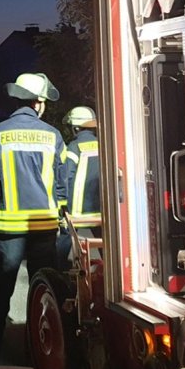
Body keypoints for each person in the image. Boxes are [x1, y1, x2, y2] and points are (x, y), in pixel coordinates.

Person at [0, 73, 66, 365]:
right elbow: (60, 184)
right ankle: (40, 357)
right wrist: (61, 215)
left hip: (8, 229)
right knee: (45, 295)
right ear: (37, 103)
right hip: (44, 227)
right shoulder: (53, 136)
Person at [56, 106, 101, 269]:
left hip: (77, 210)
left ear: (75, 128)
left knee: (65, 237)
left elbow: (66, 177)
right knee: (104, 243)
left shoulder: (74, 147)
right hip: (101, 210)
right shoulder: (103, 144)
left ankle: (58, 270)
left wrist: (61, 204)